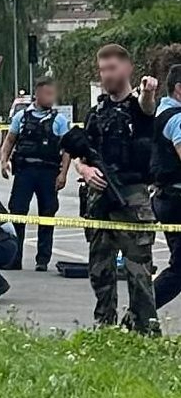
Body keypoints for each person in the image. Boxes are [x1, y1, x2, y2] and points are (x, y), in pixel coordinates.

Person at [76, 43, 159, 334]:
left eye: (112, 69)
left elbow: (148, 107)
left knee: (139, 273)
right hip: (99, 200)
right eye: (102, 70)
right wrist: (86, 171)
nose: (106, 75)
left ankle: (145, 331)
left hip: (132, 197)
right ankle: (105, 329)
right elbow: (80, 156)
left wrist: (149, 90)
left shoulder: (139, 107)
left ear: (127, 68)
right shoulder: (96, 113)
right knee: (100, 270)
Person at [0, 77, 71, 271]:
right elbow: (9, 141)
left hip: (48, 173)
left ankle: (42, 260)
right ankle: (15, 258)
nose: (51, 98)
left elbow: (67, 151)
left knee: (47, 215)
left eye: (52, 94)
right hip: (24, 172)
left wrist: (63, 174)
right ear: (37, 95)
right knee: (18, 214)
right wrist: (3, 161)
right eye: (47, 94)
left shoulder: (59, 120)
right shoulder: (21, 117)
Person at [151, 64, 181, 310]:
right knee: (180, 269)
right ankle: (140, 313)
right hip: (177, 198)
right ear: (179, 89)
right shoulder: (178, 119)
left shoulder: (160, 111)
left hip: (165, 197)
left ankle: (139, 313)